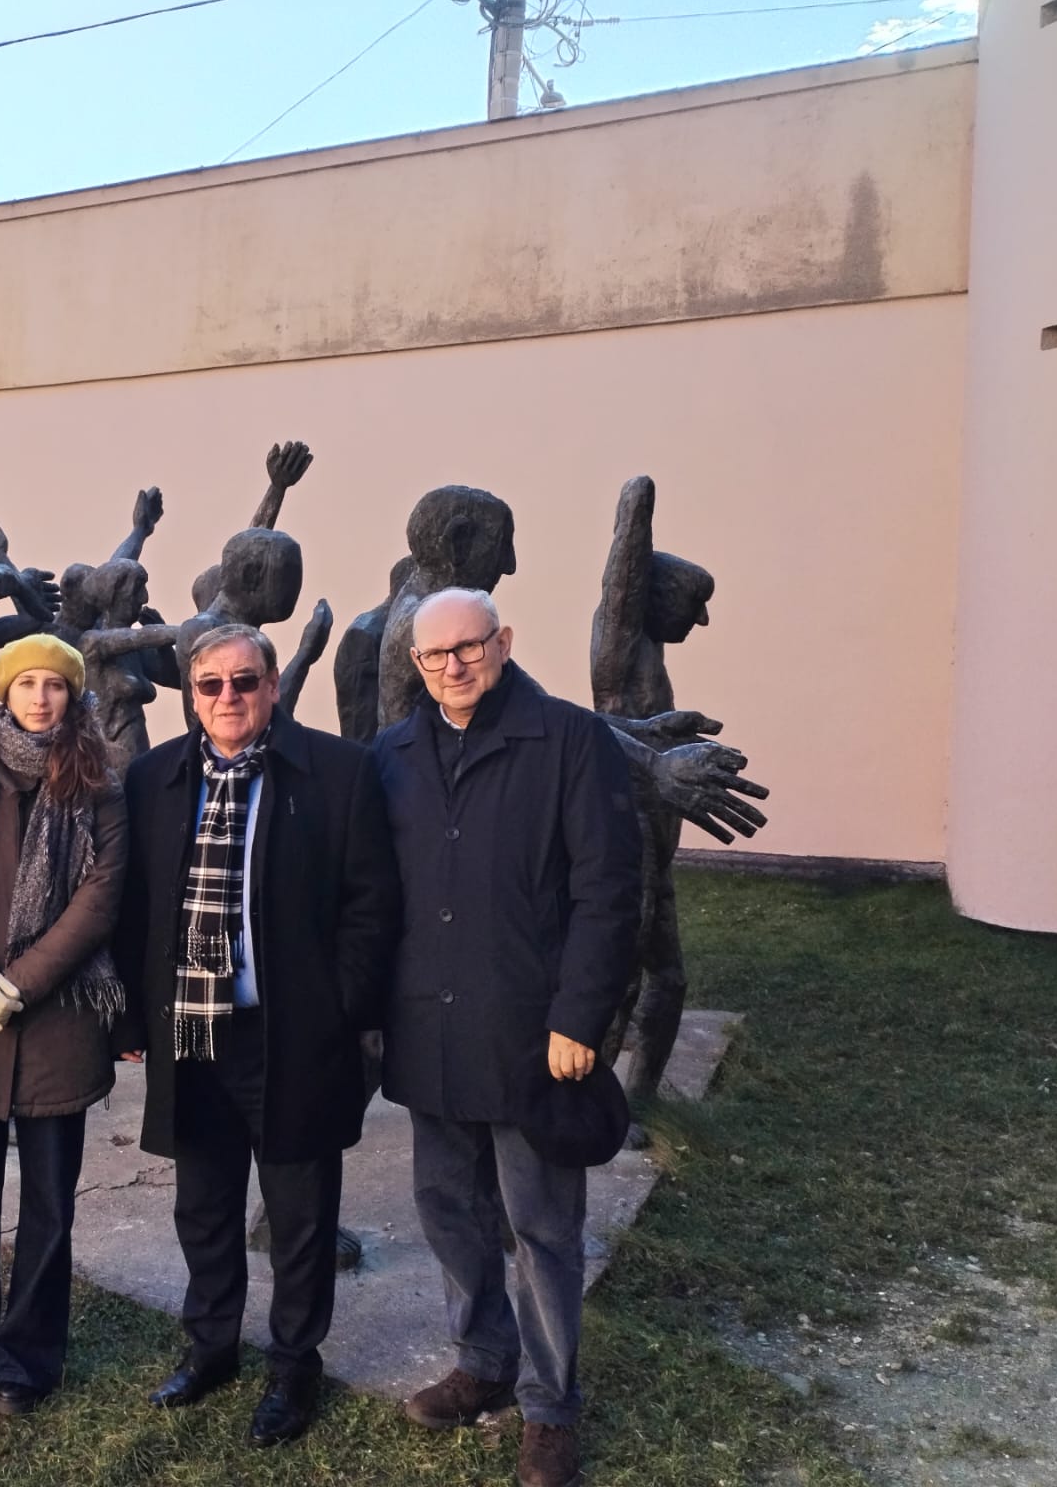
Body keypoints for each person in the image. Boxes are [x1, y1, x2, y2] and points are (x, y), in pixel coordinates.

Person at [371, 587, 642, 1487]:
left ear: (504, 641)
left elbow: (609, 890)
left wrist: (580, 1017)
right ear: (417, 665)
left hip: (532, 1039)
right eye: (434, 654)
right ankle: (482, 1362)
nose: (453, 665)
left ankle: (549, 1405)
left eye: (469, 647)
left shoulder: (568, 741)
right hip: (429, 1031)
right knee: (450, 1212)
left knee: (539, 1226)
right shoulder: (394, 755)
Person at [114, 622, 396, 1447]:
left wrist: (337, 1008)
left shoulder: (339, 773)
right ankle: (212, 1349)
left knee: (300, 1213)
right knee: (202, 1207)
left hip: (294, 1035)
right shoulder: (152, 779)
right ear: (191, 694)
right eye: (211, 685)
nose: (228, 698)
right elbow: (133, 909)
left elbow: (371, 906)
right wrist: (137, 1019)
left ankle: (293, 1365)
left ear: (273, 686)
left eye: (245, 682)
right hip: (195, 1031)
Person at [0, 633, 128, 1417]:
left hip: (59, 1023)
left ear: (73, 697)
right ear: (1, 693)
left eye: (55, 686)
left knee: (49, 1207)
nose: (41, 697)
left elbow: (102, 897)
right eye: (27, 684)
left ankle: (25, 1363)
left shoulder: (100, 786)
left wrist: (24, 979)